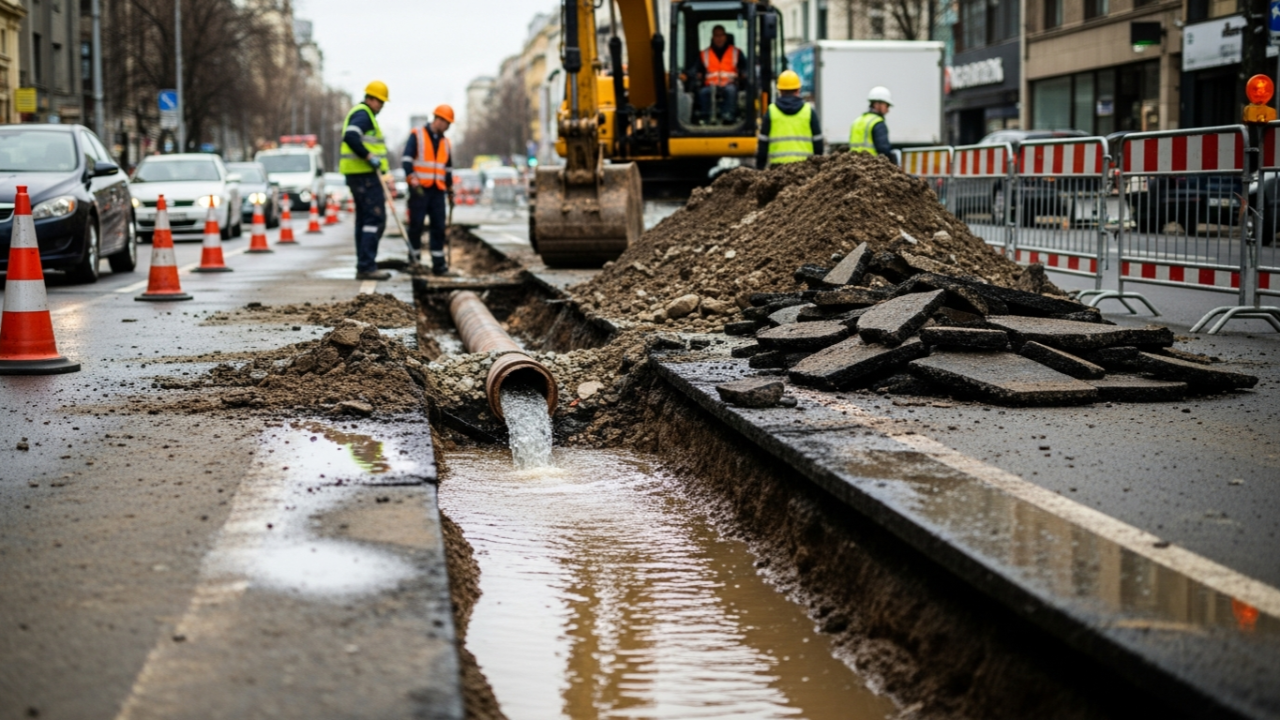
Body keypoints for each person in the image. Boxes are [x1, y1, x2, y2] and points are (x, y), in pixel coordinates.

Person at [340, 80, 391, 280]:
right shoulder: (363, 114)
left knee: (364, 221)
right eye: (380, 102)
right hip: (364, 176)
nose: (382, 106)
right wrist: (369, 157)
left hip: (359, 176)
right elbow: (350, 136)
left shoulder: (363, 114)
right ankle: (367, 265)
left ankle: (364, 264)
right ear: (371, 99)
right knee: (374, 219)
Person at [402, 105, 455, 276]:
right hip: (420, 190)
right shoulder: (417, 135)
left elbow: (447, 169)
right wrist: (411, 177)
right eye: (447, 123)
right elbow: (407, 159)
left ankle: (439, 265)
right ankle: (415, 262)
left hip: (437, 190)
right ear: (438, 119)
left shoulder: (446, 142)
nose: (448, 127)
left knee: (438, 226)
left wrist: (450, 189)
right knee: (416, 225)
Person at [756, 70, 824, 168]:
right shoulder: (808, 111)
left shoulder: (771, 112)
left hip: (777, 172)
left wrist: (759, 169)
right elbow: (818, 145)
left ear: (780, 91)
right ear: (798, 90)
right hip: (805, 170)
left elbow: (763, 146)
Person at [682, 25, 744, 124]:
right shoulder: (704, 54)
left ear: (725, 37)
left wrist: (744, 74)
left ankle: (728, 118)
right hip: (711, 86)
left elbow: (745, 68)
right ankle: (706, 118)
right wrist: (686, 75)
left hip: (729, 84)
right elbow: (695, 68)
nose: (719, 38)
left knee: (730, 91)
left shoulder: (736, 52)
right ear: (712, 37)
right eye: (716, 35)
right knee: (703, 93)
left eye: (721, 35)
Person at [849, 86, 894, 162]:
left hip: (854, 165)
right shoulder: (877, 123)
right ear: (877, 104)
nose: (888, 110)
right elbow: (883, 149)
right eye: (887, 105)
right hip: (872, 167)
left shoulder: (857, 121)